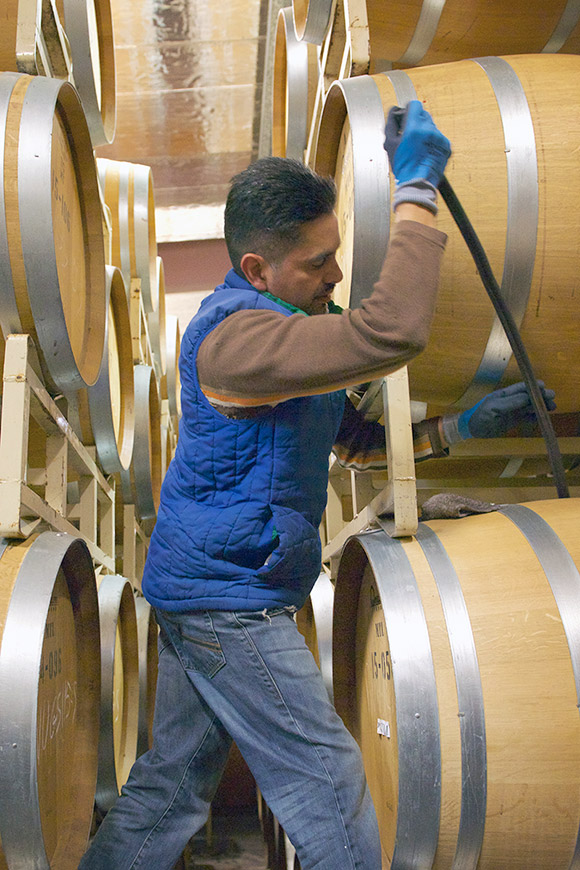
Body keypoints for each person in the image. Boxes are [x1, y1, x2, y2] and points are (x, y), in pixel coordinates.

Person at [79, 103, 554, 870]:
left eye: (335, 254)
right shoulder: (239, 339)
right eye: (317, 262)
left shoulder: (287, 320)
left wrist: (460, 430)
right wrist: (416, 190)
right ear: (257, 269)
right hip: (228, 602)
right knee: (328, 786)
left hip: (205, 587)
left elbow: (355, 438)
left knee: (172, 791)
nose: (336, 274)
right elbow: (389, 332)